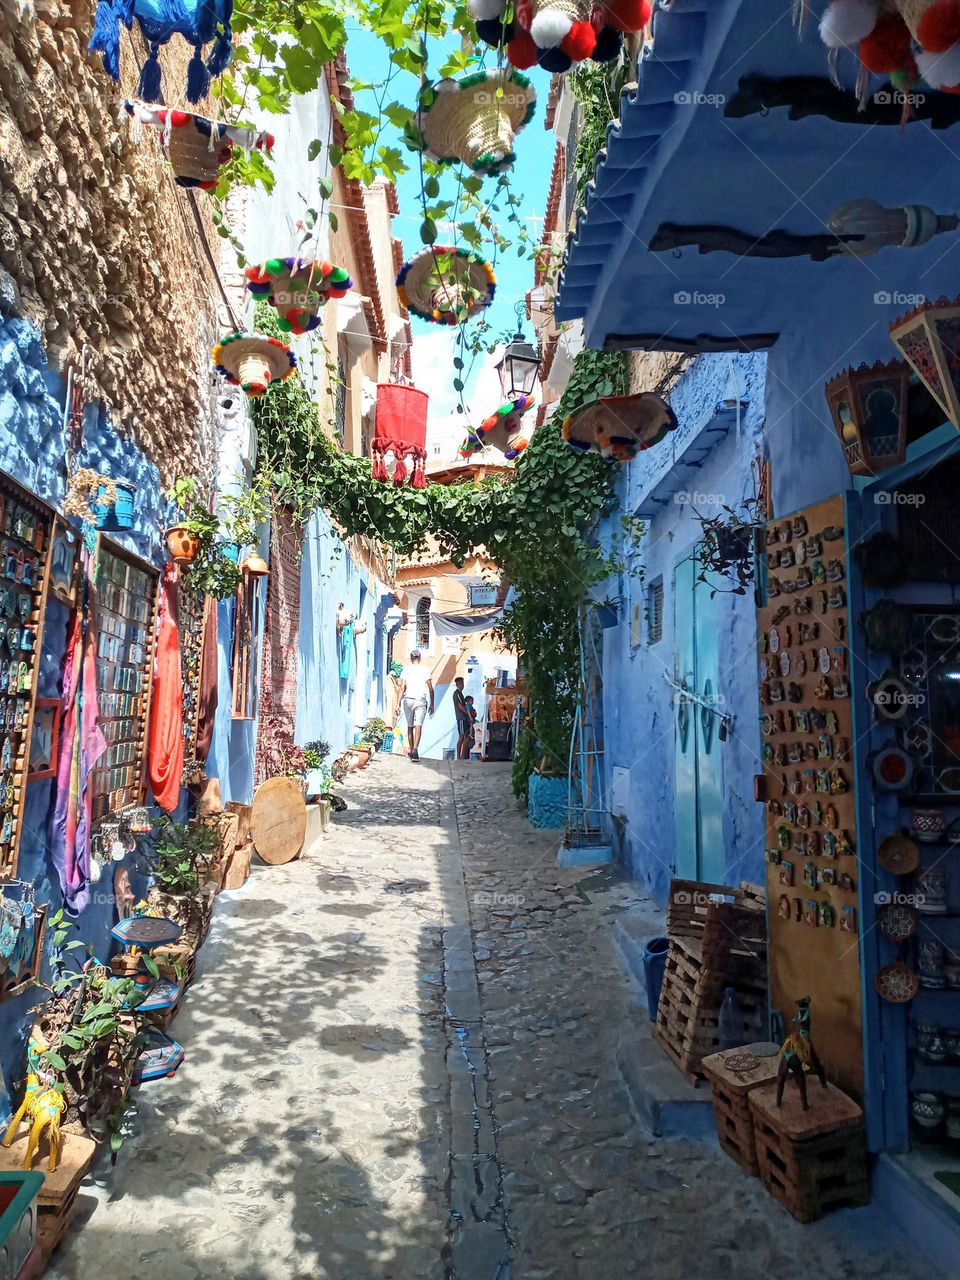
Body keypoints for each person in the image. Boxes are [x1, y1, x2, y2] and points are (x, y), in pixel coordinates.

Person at [399, 650, 433, 761]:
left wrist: (397, 704)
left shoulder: (406, 669)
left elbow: (402, 687)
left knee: (410, 726)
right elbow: (430, 688)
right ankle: (415, 750)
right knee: (418, 725)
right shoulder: (425, 669)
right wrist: (432, 703)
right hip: (420, 700)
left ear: (411, 658)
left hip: (408, 699)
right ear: (420, 658)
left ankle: (412, 748)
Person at [453, 676, 471, 760]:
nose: (462, 685)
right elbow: (460, 706)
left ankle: (461, 756)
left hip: (463, 718)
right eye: (461, 683)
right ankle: (459, 756)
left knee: (463, 736)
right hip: (461, 718)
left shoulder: (460, 694)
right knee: (461, 736)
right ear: (458, 684)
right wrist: (467, 713)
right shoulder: (457, 694)